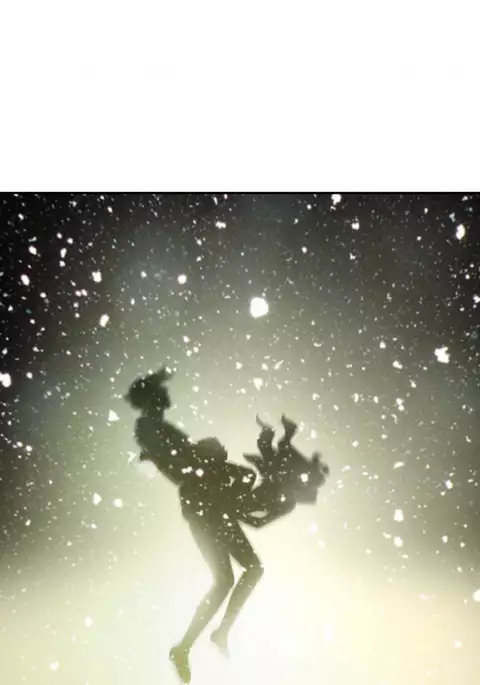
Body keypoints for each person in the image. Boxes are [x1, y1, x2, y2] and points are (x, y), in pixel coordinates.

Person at [126, 369, 265, 684]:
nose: (167, 396)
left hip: (208, 499)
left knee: (243, 572)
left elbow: (182, 459)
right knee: (230, 577)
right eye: (161, 391)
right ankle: (194, 643)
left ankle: (207, 637)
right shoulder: (149, 428)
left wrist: (206, 454)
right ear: (152, 398)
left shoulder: (155, 428)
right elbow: (179, 465)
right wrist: (205, 454)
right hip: (203, 504)